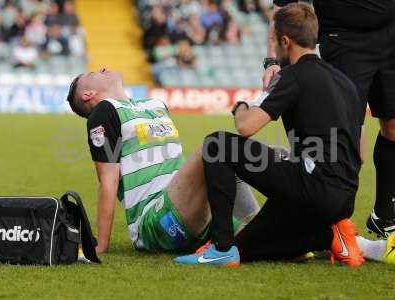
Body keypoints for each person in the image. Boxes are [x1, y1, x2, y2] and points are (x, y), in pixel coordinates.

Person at [174, 3, 395, 267]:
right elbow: (358, 153)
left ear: (285, 41)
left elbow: (245, 127)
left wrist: (241, 107)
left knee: (216, 144)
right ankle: (330, 236)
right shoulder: (345, 82)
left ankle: (221, 246)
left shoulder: (293, 76)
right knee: (248, 246)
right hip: (342, 199)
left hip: (313, 187)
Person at [66, 68, 260, 253]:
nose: (102, 68)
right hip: (156, 221)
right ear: (88, 94)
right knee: (215, 146)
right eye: (93, 73)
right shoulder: (104, 112)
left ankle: (256, 224)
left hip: (196, 213)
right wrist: (101, 244)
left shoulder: (156, 104)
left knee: (260, 234)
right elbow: (108, 181)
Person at [263, 0, 395, 238]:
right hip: (345, 40)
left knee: (394, 127)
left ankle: (385, 216)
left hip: (390, 33)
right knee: (348, 139)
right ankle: (330, 224)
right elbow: (281, 9)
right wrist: (272, 61)